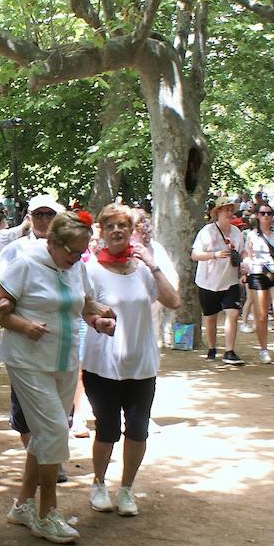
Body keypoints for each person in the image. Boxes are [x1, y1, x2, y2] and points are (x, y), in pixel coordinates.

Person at [0, 212, 113, 544]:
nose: (76, 258)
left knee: (48, 433)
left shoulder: (75, 267)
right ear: (53, 243)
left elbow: (80, 304)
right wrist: (23, 325)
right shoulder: (24, 264)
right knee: (54, 430)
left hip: (65, 359)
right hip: (28, 361)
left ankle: (23, 505)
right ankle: (47, 513)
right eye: (72, 251)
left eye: (82, 252)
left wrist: (99, 318)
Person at [81, 204, 180, 517]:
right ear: (101, 231)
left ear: (132, 230)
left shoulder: (142, 270)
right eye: (110, 225)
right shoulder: (91, 271)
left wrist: (153, 265)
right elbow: (82, 309)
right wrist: (97, 321)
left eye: (123, 225)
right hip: (102, 364)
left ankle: (126, 488)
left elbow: (173, 301)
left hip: (141, 363)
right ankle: (98, 483)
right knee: (107, 429)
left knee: (138, 430)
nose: (117, 230)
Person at [191, 198, 245, 365]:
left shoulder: (237, 233)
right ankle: (212, 348)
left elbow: (242, 255)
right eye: (226, 210)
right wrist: (214, 255)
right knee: (210, 317)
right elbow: (194, 255)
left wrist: (244, 267)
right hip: (208, 282)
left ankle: (229, 351)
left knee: (233, 314)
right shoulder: (206, 232)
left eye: (231, 210)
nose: (229, 213)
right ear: (217, 213)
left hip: (230, 282)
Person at [243, 205, 274, 364]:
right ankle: (263, 349)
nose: (266, 216)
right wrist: (245, 269)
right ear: (257, 215)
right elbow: (248, 256)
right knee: (261, 314)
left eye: (269, 213)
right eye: (262, 213)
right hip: (258, 273)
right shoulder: (251, 235)